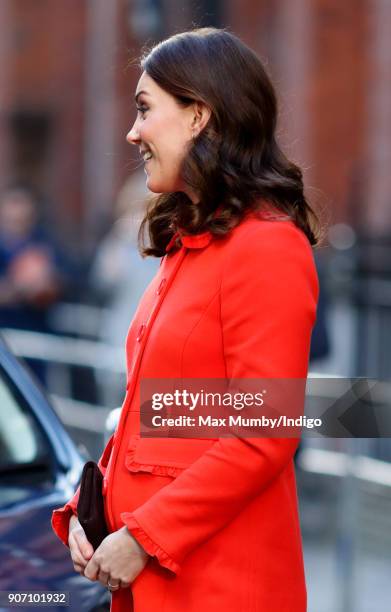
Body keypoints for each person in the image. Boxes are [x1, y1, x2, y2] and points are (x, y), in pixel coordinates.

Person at [52, 27, 320, 611]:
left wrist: (144, 537)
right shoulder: (190, 246)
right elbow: (159, 414)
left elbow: (263, 432)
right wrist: (87, 507)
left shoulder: (268, 246)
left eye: (146, 109)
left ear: (198, 115)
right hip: (153, 577)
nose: (133, 132)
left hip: (218, 584)